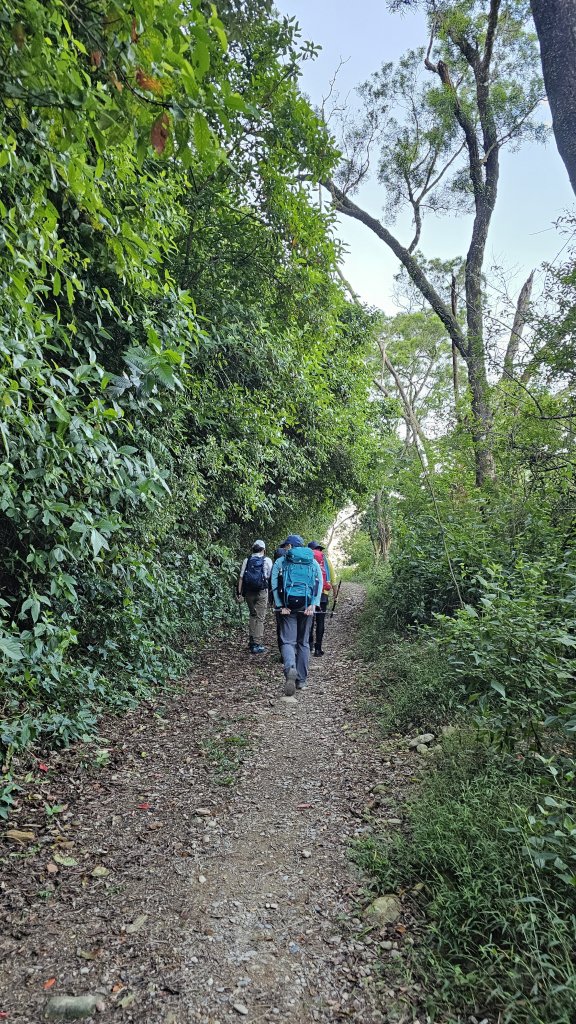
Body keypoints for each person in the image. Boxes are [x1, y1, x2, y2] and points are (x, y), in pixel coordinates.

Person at [271, 534, 323, 695]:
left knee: (288, 641)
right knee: (304, 642)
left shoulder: (282, 561)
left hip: (288, 606)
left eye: (286, 546)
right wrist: (314, 603)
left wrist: (280, 605)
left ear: (290, 546)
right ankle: (301, 680)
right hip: (306, 606)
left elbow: (274, 583)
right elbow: (319, 582)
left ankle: (290, 668)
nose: (285, 548)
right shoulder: (312, 561)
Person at [237, 540, 272, 654]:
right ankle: (257, 644)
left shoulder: (247, 560)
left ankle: (251, 641)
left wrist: (239, 593)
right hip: (262, 591)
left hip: (249, 593)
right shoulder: (267, 560)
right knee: (260, 618)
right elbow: (269, 576)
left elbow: (241, 577)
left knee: (253, 615)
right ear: (263, 549)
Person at [308, 541, 336, 657]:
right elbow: (333, 579)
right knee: (320, 621)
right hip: (323, 594)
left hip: (310, 594)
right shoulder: (326, 560)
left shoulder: (307, 559)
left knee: (309, 620)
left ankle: (309, 645)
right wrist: (335, 595)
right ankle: (318, 649)